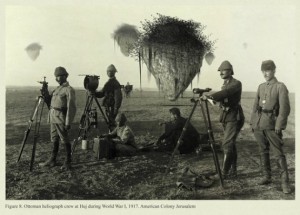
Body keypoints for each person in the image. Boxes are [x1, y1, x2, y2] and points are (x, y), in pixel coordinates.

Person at [250, 60, 291, 194]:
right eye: (263, 71)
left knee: (278, 153)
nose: (265, 73)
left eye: (268, 70)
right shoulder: (261, 87)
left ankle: (285, 183)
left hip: (273, 125)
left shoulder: (280, 87)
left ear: (274, 70)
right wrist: (253, 122)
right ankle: (266, 176)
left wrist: (279, 125)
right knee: (263, 151)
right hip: (260, 124)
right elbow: (255, 106)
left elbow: (284, 109)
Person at [201, 60, 244, 179]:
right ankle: (233, 171)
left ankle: (223, 174)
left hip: (234, 117)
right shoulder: (224, 84)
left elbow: (226, 93)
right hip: (226, 117)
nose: (221, 72)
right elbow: (222, 99)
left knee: (226, 143)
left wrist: (210, 96)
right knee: (231, 144)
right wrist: (212, 100)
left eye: (223, 70)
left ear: (230, 71)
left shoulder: (236, 83)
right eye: (219, 71)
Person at [40, 66, 77, 170]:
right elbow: (49, 102)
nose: (57, 78)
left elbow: (72, 107)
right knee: (54, 138)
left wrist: (68, 122)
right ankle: (52, 159)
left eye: (59, 76)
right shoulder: (57, 89)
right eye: (56, 76)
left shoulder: (69, 90)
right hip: (53, 116)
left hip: (61, 117)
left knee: (64, 139)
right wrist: (45, 92)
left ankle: (68, 161)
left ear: (65, 76)